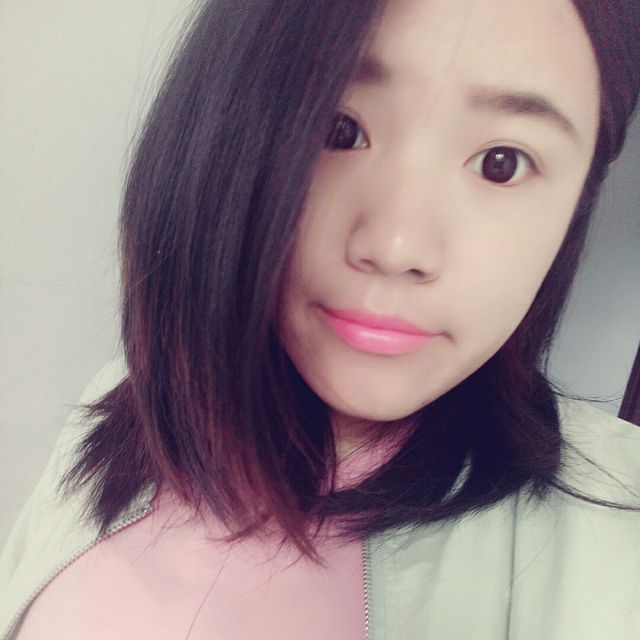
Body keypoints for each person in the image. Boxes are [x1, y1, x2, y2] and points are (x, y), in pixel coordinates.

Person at [1, 0, 640, 637]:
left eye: (502, 162)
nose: (396, 247)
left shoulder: (616, 538)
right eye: (338, 129)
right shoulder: (121, 405)